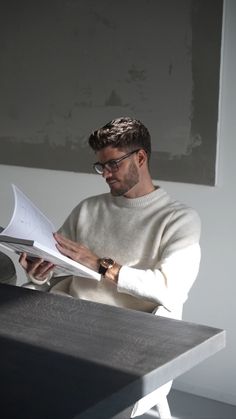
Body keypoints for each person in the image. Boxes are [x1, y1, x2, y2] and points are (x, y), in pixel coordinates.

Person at [20, 117, 201, 418]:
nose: (105, 174)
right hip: (64, 318)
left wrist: (100, 264)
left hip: (122, 335)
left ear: (140, 158)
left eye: (112, 164)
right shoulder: (89, 208)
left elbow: (171, 289)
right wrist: (40, 271)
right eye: (100, 166)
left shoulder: (179, 219)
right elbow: (61, 265)